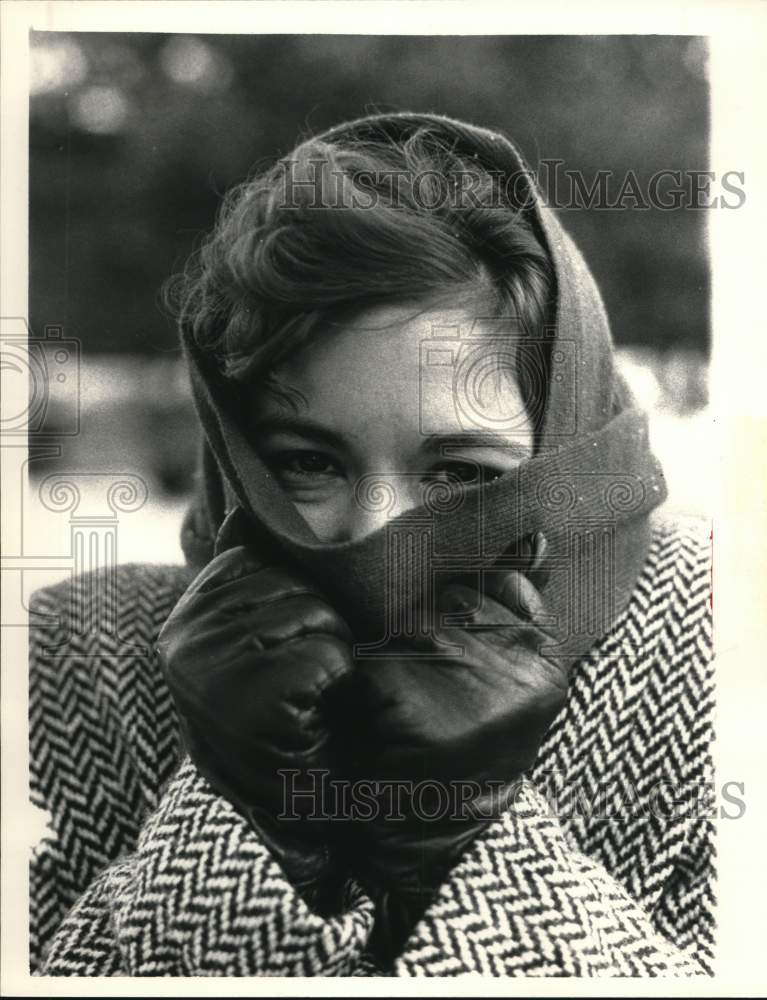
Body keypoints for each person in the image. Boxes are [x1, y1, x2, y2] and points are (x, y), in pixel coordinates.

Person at [29, 111, 715, 977]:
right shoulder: (79, 660)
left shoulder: (705, 646)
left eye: (459, 471)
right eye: (308, 462)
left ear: (566, 449)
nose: (377, 530)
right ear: (236, 451)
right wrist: (243, 819)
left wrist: (470, 845)